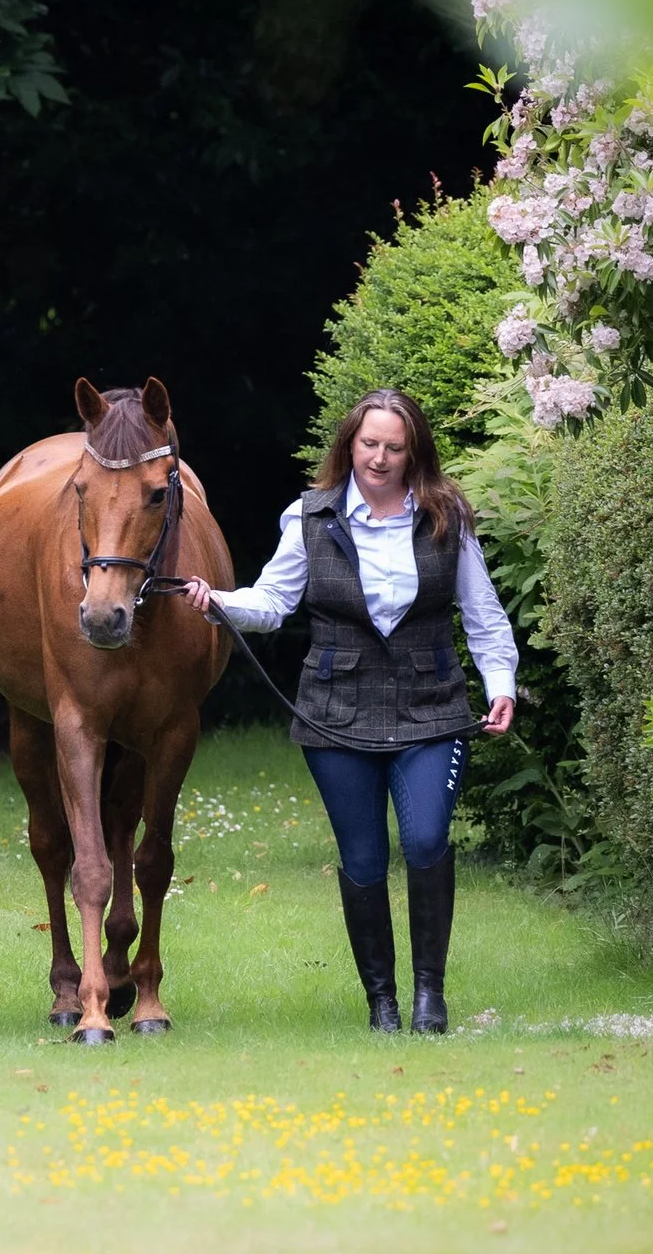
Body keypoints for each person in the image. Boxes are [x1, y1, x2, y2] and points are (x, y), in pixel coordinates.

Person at [182, 388, 517, 1034]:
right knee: (362, 859)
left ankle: (429, 996)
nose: (381, 459)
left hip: (432, 709)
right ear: (350, 446)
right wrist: (215, 600)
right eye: (370, 445)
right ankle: (382, 1004)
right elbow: (273, 604)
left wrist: (499, 682)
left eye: (394, 447)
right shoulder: (310, 517)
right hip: (335, 716)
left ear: (413, 451)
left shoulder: (447, 516)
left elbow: (484, 617)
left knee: (424, 840)